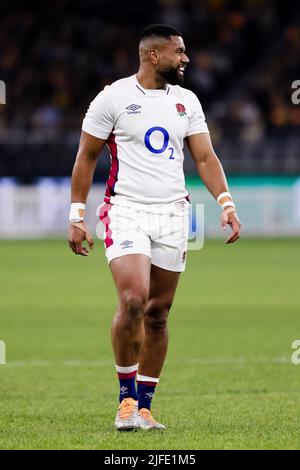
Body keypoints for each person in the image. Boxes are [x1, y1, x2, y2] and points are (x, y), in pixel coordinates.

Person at [68, 24, 241, 431]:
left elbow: (204, 158)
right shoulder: (112, 98)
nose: (186, 59)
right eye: (179, 52)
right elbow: (86, 157)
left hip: (173, 214)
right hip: (125, 209)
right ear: (153, 55)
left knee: (159, 313)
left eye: (185, 52)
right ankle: (125, 402)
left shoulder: (187, 102)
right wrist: (77, 215)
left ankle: (145, 407)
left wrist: (226, 203)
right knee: (133, 298)